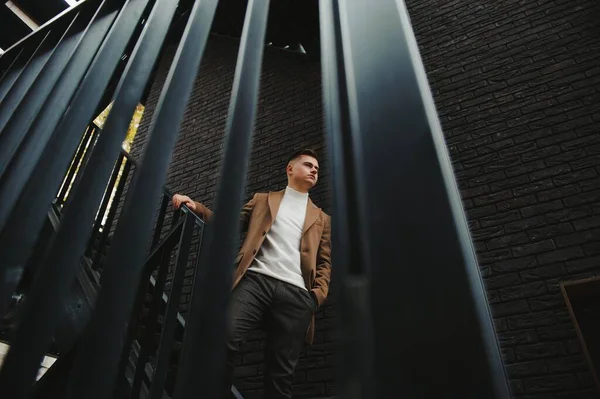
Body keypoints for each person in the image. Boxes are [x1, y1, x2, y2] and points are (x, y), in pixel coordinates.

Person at [172, 148, 332, 398]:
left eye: (317, 169)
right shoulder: (262, 199)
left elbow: (324, 262)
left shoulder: (322, 218)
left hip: (297, 295)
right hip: (255, 281)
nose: (314, 170)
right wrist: (198, 207)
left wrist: (315, 297)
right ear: (290, 169)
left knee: (280, 375)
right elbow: (229, 225)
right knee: (223, 338)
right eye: (308, 165)